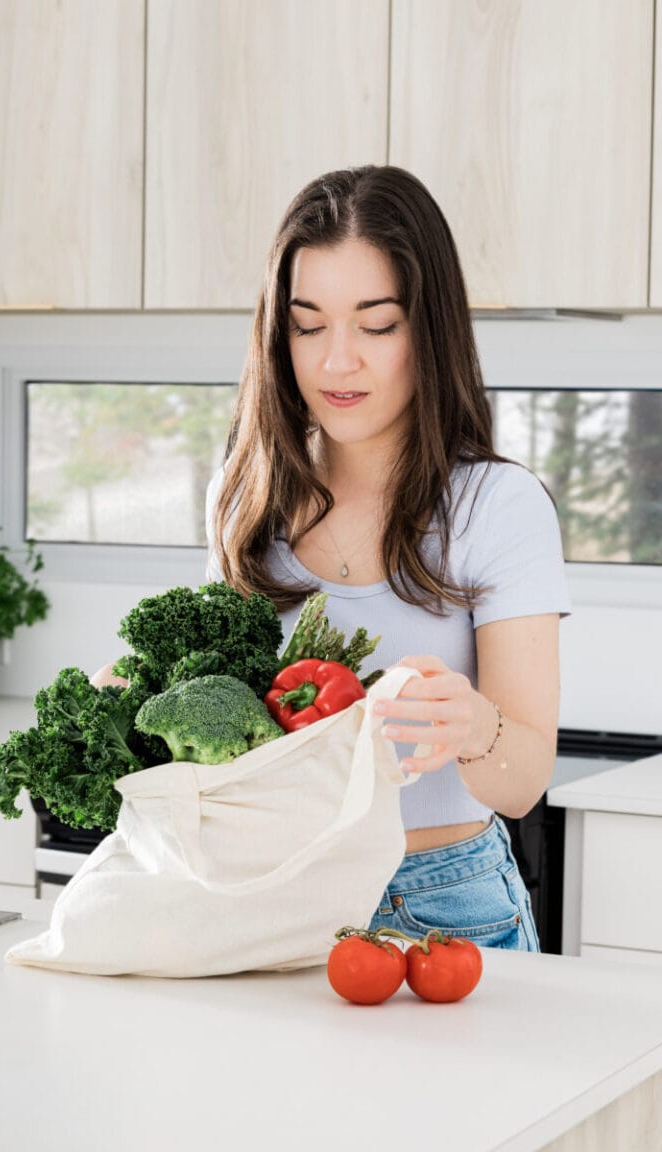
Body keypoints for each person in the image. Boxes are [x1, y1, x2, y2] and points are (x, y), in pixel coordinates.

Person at [203, 165, 571, 951]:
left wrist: (474, 724)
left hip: (444, 908)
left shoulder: (497, 506)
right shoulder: (245, 497)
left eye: (376, 325)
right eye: (308, 326)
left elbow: (523, 783)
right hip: (275, 896)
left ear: (428, 331)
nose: (337, 362)